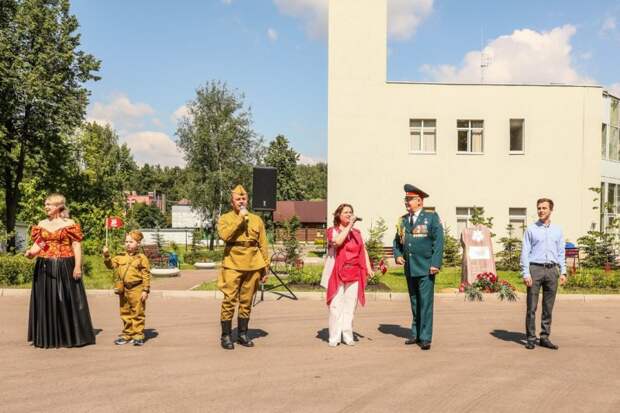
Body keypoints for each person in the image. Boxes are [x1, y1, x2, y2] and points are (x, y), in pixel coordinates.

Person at [24, 193, 96, 348]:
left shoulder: (69, 223)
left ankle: (70, 335)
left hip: (65, 264)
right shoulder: (41, 223)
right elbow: (40, 245)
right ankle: (48, 336)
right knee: (47, 299)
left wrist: (77, 266)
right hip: (44, 266)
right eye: (45, 204)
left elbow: (76, 245)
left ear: (58, 206)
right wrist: (31, 253)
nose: (46, 207)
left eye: (49, 204)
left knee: (65, 298)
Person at [217, 185, 269, 350]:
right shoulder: (225, 218)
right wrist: (240, 218)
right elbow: (225, 236)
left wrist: (265, 268)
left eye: (244, 198)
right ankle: (226, 335)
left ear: (248, 200)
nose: (241, 201)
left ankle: (242, 333)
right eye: (238, 199)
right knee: (229, 300)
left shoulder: (256, 220)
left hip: (253, 264)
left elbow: (263, 244)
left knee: (246, 301)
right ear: (232, 202)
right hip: (232, 263)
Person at [393, 184, 444, 350]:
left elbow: (438, 242)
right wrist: (398, 255)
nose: (406, 202)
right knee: (415, 302)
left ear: (419, 201)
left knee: (425, 303)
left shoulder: (431, 217)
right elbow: (397, 241)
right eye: (405, 199)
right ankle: (415, 334)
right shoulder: (403, 220)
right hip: (410, 268)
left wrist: (435, 264)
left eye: (409, 199)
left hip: (426, 267)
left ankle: (425, 337)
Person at [320, 203, 372, 347]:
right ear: (339, 215)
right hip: (336, 274)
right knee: (336, 307)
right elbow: (337, 242)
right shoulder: (332, 231)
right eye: (346, 212)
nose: (349, 214)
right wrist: (349, 226)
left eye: (351, 212)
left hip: (354, 272)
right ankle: (335, 337)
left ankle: (348, 335)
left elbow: (364, 250)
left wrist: (368, 267)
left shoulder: (357, 233)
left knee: (350, 307)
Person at [521, 198, 567, 350]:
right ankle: (530, 338)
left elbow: (561, 252)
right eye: (539, 208)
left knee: (548, 307)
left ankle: (544, 337)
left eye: (544, 208)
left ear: (550, 210)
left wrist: (563, 272)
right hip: (535, 269)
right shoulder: (531, 229)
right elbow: (525, 253)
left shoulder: (558, 230)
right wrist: (526, 273)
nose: (541, 210)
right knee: (531, 307)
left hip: (552, 271)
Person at [103, 230, 151, 346]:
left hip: (137, 288)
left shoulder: (141, 258)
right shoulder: (120, 257)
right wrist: (106, 255)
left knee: (138, 312)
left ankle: (138, 335)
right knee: (124, 312)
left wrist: (145, 290)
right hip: (123, 289)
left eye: (131, 241)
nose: (128, 244)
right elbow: (110, 266)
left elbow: (146, 274)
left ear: (138, 243)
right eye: (126, 241)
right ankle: (127, 334)